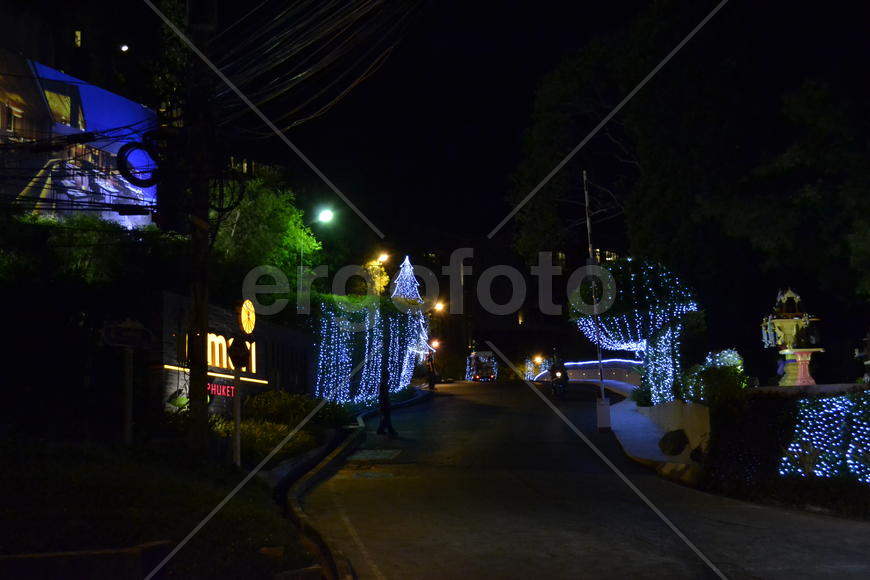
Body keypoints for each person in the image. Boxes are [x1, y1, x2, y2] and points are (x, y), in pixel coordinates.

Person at [377, 364, 398, 437]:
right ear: (386, 377)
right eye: (388, 376)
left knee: (386, 416)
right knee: (386, 416)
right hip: (384, 402)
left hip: (383, 402)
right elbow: (384, 393)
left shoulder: (383, 383)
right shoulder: (383, 383)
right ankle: (385, 429)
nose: (389, 378)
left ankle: (384, 429)